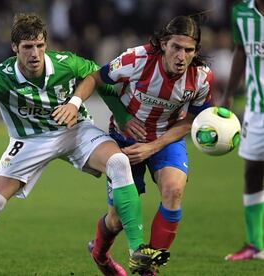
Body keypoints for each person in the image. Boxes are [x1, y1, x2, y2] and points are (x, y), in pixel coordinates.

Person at [0, 13, 169, 276]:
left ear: (46, 44)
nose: (34, 54)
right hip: (30, 140)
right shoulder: (0, 78)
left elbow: (101, 80)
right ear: (14, 47)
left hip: (74, 130)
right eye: (27, 47)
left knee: (119, 162)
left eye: (39, 45)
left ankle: (137, 253)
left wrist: (120, 117)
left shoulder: (66, 63)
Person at [53, 15, 213, 276]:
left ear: (196, 51)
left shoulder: (202, 77)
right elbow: (96, 77)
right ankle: (100, 253)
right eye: (176, 47)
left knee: (173, 191)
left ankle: (148, 269)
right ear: (163, 44)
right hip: (125, 141)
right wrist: (74, 103)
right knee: (116, 220)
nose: (182, 56)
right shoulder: (136, 59)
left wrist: (154, 146)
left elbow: (194, 118)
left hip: (165, 139)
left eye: (189, 50)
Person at [220, 0, 264, 261]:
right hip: (256, 108)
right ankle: (255, 244)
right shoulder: (241, 12)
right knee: (253, 171)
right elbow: (241, 51)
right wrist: (228, 95)